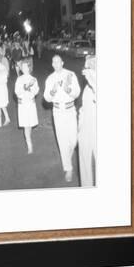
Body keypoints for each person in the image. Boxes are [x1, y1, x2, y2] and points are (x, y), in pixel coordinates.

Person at [44, 54, 81, 182]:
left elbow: (77, 93)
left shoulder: (70, 74)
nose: (56, 64)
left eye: (58, 61)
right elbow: (46, 98)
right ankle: (68, 168)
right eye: (53, 62)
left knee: (74, 140)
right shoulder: (50, 79)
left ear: (62, 63)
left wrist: (68, 90)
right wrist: (53, 91)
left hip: (70, 110)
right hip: (58, 111)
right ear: (52, 64)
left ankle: (67, 158)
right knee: (62, 140)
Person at [78, 55, 97, 187]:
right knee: (84, 160)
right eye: (86, 65)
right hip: (85, 125)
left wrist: (93, 80)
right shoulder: (87, 86)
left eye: (89, 65)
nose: (86, 68)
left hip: (96, 127)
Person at [15, 58, 39, 153]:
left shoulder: (33, 79)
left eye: (26, 67)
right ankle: (29, 145)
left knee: (30, 124)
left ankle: (29, 139)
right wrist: (25, 87)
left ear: (29, 68)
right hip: (23, 104)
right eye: (23, 67)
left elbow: (36, 91)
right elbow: (17, 92)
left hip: (30, 103)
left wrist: (31, 89)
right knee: (26, 125)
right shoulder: (19, 79)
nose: (24, 69)